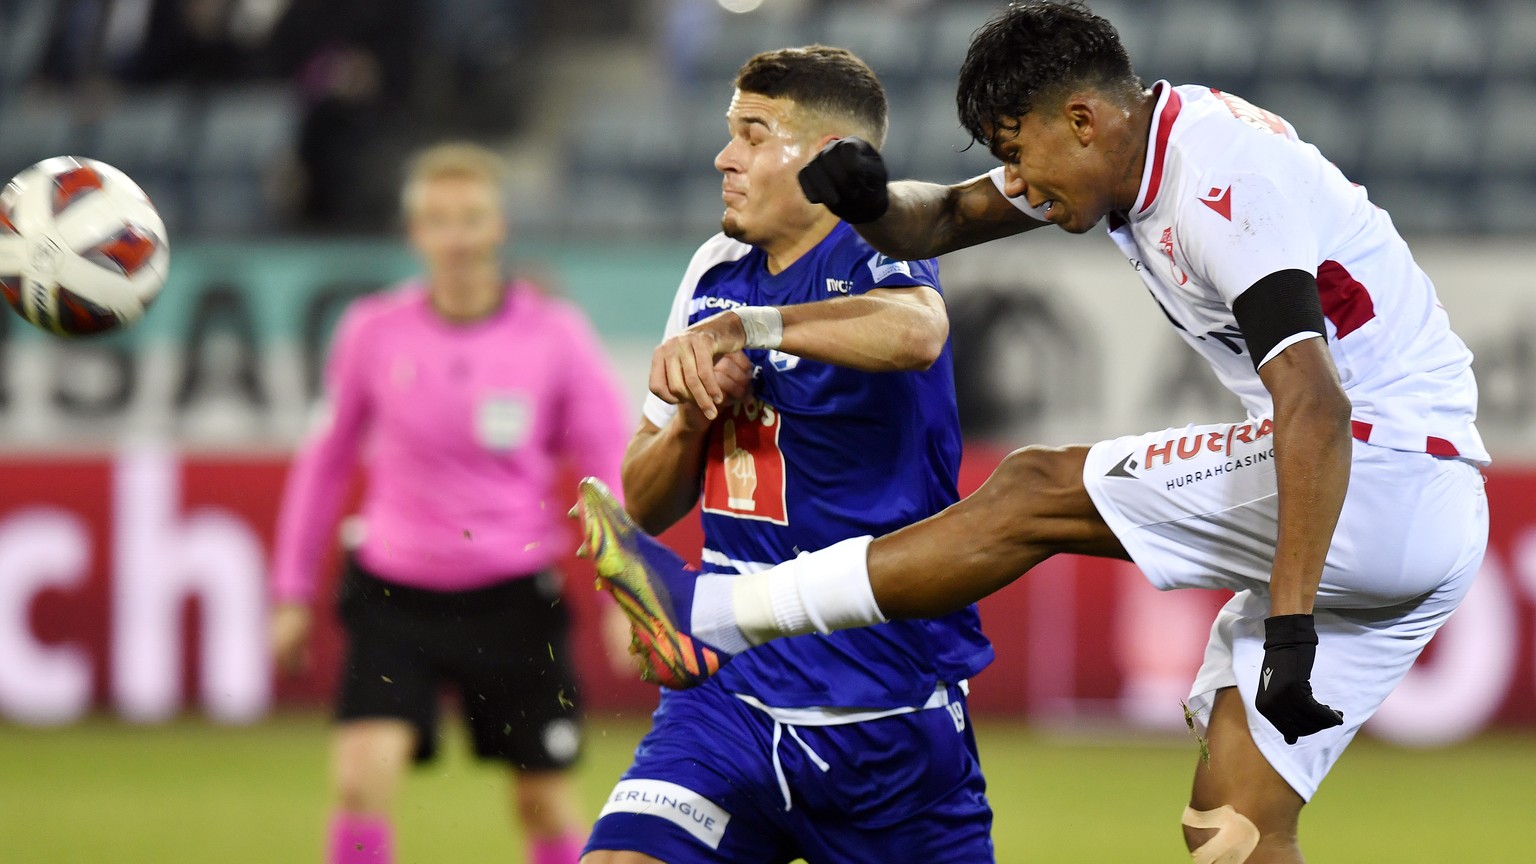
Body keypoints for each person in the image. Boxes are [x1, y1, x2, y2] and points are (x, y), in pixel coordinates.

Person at [577, 4, 1490, 864]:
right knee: (1233, 827)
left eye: (1020, 152)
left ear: (1082, 120)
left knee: (1035, 488)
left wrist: (1290, 628)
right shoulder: (1127, 149)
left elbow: (1316, 406)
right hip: (1416, 516)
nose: (1023, 183)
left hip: (1379, 468)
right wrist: (869, 205)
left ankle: (712, 616)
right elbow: (948, 216)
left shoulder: (1220, 182)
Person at [581, 46, 996, 864]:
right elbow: (644, 499)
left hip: (886, 717)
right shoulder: (714, 270)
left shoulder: (875, 252)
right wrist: (695, 420)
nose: (723, 156)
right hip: (727, 703)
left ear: (826, 156)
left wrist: (753, 329)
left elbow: (918, 333)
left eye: (752, 133)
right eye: (728, 132)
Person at [269, 142, 632, 864]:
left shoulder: (555, 336)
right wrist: (292, 591)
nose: (457, 237)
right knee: (361, 775)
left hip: (512, 595)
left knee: (543, 800)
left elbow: (607, 471)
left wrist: (625, 593)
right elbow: (325, 465)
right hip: (393, 591)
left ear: (498, 228)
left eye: (471, 219)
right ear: (416, 234)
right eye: (439, 220)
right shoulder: (372, 331)